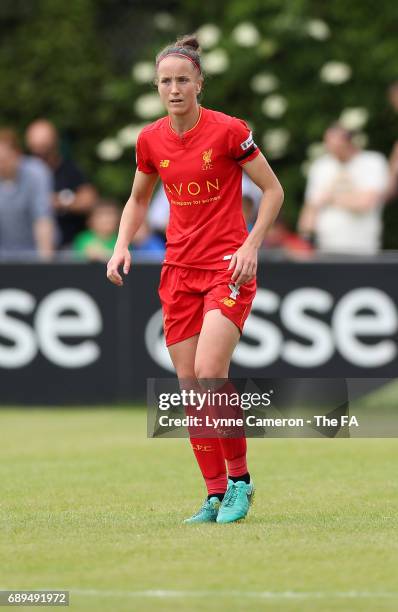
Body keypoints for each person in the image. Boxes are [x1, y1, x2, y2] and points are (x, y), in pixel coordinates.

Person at [106, 35, 284, 524]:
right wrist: (121, 244)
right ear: (157, 86)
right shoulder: (150, 140)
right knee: (189, 384)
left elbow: (273, 190)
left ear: (200, 84)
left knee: (209, 372)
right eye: (166, 80)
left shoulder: (229, 131)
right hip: (178, 271)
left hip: (227, 268)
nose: (175, 88)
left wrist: (251, 245)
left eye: (183, 79)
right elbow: (139, 199)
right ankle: (213, 493)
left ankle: (241, 484)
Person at [298, 124, 389, 255]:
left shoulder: (373, 162)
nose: (331, 148)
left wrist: (330, 197)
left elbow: (367, 202)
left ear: (348, 142)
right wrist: (305, 239)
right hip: (325, 247)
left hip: (363, 248)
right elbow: (311, 207)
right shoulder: (320, 166)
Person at [25, 119, 97, 248]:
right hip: (31, 247)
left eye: (45, 146)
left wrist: (59, 201)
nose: (40, 152)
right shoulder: (23, 172)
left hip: (68, 246)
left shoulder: (70, 170)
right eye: (36, 147)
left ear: (55, 142)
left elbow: (89, 200)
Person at [0, 128, 54, 259]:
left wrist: (46, 265)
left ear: (17, 154)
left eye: (4, 159)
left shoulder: (37, 172)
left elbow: (42, 219)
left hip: (34, 255)